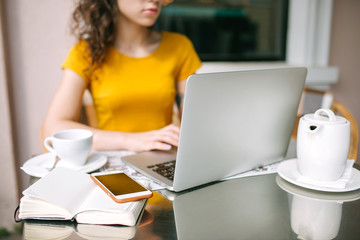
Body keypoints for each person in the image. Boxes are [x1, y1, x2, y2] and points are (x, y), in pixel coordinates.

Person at [41, 0, 202, 152]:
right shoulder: (86, 53)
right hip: (112, 161)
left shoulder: (179, 47)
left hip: (162, 158)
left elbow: (195, 127)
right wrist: (130, 140)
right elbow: (52, 129)